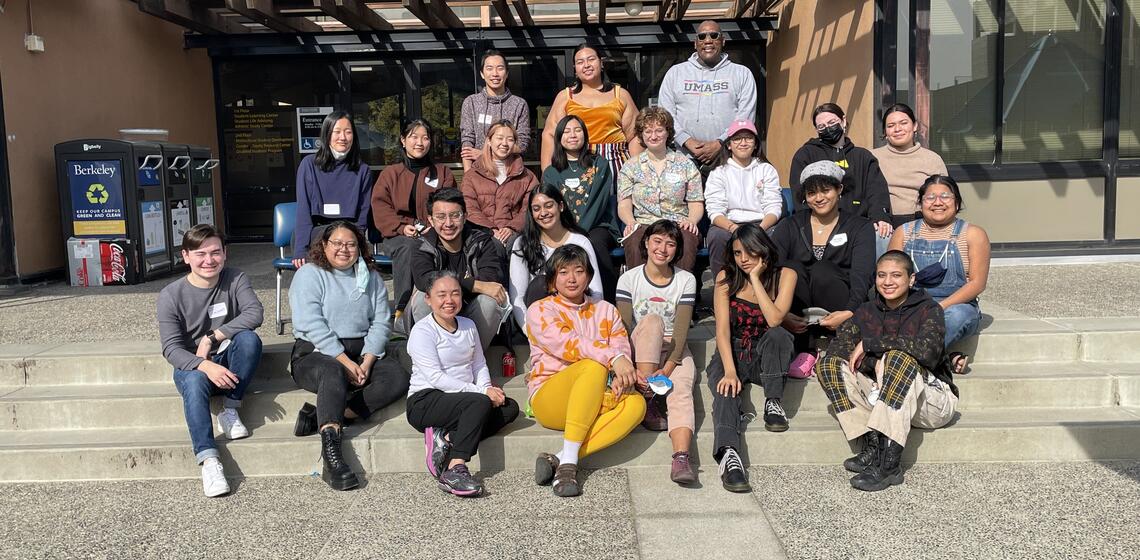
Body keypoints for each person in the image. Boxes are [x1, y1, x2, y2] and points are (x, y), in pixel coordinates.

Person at [814, 250, 959, 492]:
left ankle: (889, 463)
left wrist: (872, 345)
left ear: (911, 279)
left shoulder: (929, 310)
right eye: (882, 275)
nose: (888, 282)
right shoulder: (867, 311)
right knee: (828, 365)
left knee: (897, 358)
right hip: (882, 393)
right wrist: (875, 363)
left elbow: (927, 353)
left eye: (896, 275)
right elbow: (840, 349)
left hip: (931, 402)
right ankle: (872, 445)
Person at [289, 221, 409, 491]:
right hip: (315, 352)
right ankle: (332, 454)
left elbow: (381, 323)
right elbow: (312, 324)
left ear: (360, 247)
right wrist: (345, 362)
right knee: (332, 372)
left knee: (397, 377)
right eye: (337, 243)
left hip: (361, 350)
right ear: (324, 245)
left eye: (351, 244)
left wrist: (366, 360)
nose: (344, 249)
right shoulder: (310, 274)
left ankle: (327, 412)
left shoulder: (371, 277)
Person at [527, 245, 647, 497]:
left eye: (579, 271)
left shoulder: (605, 309)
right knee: (591, 366)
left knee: (637, 405)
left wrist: (619, 376)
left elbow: (620, 346)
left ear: (589, 276)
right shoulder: (540, 310)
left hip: (596, 395)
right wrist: (614, 359)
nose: (572, 279)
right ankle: (569, 467)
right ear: (552, 279)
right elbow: (568, 344)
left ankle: (562, 457)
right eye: (563, 272)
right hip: (551, 397)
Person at [157, 224, 264, 498]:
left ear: (225, 254)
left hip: (226, 356)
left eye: (215, 252)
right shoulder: (170, 295)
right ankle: (209, 460)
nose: (209, 260)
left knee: (250, 339)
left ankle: (230, 409)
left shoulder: (235, 278)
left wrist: (211, 337)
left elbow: (254, 313)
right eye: (200, 254)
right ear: (186, 256)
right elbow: (171, 349)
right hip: (193, 365)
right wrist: (204, 364)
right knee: (193, 380)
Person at [406, 270, 520, 497]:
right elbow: (436, 378)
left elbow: (479, 365)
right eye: (441, 295)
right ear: (428, 299)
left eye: (455, 294)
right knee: (478, 403)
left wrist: (487, 389)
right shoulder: (422, 331)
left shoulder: (468, 325)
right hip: (425, 401)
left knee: (510, 408)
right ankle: (455, 468)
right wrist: (482, 393)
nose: (449, 300)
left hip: (464, 400)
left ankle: (446, 438)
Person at [703, 223, 797, 493]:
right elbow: (721, 330)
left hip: (767, 356)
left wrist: (756, 278)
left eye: (749, 252)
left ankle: (773, 402)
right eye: (736, 253)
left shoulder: (785, 275)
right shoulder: (725, 277)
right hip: (732, 350)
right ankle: (729, 455)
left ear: (763, 249)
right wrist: (730, 371)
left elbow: (775, 318)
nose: (743, 259)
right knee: (725, 386)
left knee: (779, 335)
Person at [615, 220, 699, 485]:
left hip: (674, 348)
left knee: (682, 390)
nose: (663, 249)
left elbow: (682, 328)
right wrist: (633, 366)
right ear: (646, 243)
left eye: (671, 244)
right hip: (640, 343)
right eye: (657, 241)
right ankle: (648, 398)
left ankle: (681, 456)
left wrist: (671, 366)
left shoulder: (686, 280)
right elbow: (623, 326)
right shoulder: (629, 278)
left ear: (677, 250)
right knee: (652, 321)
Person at [889, 174, 990, 373]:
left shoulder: (973, 234)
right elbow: (890, 276)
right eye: (930, 198)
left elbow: (977, 283)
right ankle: (942, 358)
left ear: (957, 202)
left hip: (954, 306)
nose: (938, 203)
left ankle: (902, 360)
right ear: (920, 203)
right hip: (911, 306)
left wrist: (938, 308)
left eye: (945, 196)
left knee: (957, 316)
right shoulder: (903, 232)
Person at [769, 161, 875, 349]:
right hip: (796, 316)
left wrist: (850, 311)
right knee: (792, 269)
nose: (819, 198)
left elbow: (862, 275)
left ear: (839, 189)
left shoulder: (860, 226)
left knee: (822, 270)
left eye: (825, 190)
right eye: (811, 193)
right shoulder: (789, 225)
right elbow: (771, 269)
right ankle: (804, 348)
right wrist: (781, 314)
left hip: (841, 307)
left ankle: (838, 341)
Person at [371, 119, 458, 311]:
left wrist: (435, 226)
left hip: (435, 232)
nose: (420, 142)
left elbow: (450, 204)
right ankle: (403, 308)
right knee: (411, 246)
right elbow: (380, 206)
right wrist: (402, 227)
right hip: (398, 235)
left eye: (425, 138)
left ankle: (442, 305)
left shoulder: (442, 173)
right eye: (414, 137)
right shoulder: (390, 174)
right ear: (403, 140)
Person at [406, 188, 509, 350]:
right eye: (441, 217)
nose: (448, 223)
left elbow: (490, 280)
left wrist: (460, 286)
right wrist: (474, 285)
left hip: (471, 313)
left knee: (489, 302)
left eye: (455, 215)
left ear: (465, 217)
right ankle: (433, 358)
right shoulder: (422, 244)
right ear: (431, 220)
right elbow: (424, 279)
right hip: (439, 312)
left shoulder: (482, 241)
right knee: (421, 298)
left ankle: (470, 360)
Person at [541, 43, 641, 196]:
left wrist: (639, 171)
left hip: (616, 164)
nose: (586, 65)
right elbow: (549, 135)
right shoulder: (565, 97)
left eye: (591, 59)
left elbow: (634, 136)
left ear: (601, 63)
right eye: (580, 62)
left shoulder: (620, 94)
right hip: (576, 163)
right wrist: (548, 175)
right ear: (575, 68)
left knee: (618, 212)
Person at [788, 103, 891, 251]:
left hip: (859, 225)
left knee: (883, 235)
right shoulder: (805, 155)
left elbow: (876, 191)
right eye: (821, 126)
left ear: (843, 121)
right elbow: (800, 196)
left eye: (832, 123)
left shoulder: (862, 157)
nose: (828, 128)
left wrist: (881, 217)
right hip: (821, 223)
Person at [658, 20, 758, 172]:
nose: (708, 40)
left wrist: (720, 143)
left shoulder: (742, 74)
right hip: (683, 158)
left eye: (714, 35)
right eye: (702, 36)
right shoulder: (675, 73)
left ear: (723, 41)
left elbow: (745, 117)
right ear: (695, 43)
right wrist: (687, 141)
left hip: (727, 157)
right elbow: (666, 114)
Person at [542, 114, 619, 302]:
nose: (573, 135)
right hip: (564, 228)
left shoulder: (598, 164)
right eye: (567, 131)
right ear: (559, 137)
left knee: (595, 243)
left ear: (584, 135)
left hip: (598, 226)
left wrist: (576, 234)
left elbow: (597, 202)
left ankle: (606, 303)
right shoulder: (552, 172)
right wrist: (565, 232)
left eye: (577, 130)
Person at [617, 106, 704, 271]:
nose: (653, 136)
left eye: (659, 130)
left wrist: (691, 220)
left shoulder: (685, 164)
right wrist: (630, 222)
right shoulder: (630, 167)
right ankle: (640, 292)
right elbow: (624, 203)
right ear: (641, 134)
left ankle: (681, 292)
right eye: (648, 131)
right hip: (643, 222)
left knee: (687, 238)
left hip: (678, 222)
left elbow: (696, 202)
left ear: (668, 133)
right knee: (634, 240)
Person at [508, 184, 603, 329]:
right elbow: (518, 298)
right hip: (539, 324)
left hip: (577, 321)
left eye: (548, 205)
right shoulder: (522, 244)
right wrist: (531, 332)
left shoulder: (580, 242)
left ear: (561, 206)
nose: (543, 213)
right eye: (536, 209)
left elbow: (596, 292)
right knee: (541, 282)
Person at [704, 119, 783, 277]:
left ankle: (771, 287)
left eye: (748, 138)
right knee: (716, 236)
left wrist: (758, 231)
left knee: (779, 233)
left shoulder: (766, 170)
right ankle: (723, 287)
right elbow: (715, 212)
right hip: (729, 225)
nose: (743, 143)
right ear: (729, 144)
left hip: (761, 224)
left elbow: (773, 206)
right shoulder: (719, 172)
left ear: (755, 143)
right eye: (737, 139)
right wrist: (734, 229)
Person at [292, 111, 372, 267]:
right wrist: (300, 248)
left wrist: (357, 240)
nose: (342, 137)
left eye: (348, 132)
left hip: (349, 233)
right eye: (337, 132)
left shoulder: (363, 170)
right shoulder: (309, 165)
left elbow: (363, 215)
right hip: (316, 232)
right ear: (327, 134)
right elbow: (303, 209)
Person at [461, 120, 539, 250]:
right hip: (481, 235)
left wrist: (511, 228)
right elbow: (469, 207)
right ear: (489, 141)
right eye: (499, 138)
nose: (504, 143)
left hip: (515, 237)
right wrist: (491, 230)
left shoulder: (527, 176)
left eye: (510, 139)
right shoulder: (472, 175)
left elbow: (530, 208)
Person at [871, 103, 949, 227]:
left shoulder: (932, 159)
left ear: (915, 126)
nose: (897, 129)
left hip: (923, 221)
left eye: (903, 123)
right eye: (891, 125)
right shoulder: (872, 158)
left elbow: (946, 196)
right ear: (885, 131)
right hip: (883, 224)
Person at [460, 50, 531, 171]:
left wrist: (485, 154)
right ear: (482, 73)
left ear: (507, 73)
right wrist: (468, 177)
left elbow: (522, 144)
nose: (495, 73)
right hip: (479, 173)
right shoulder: (471, 102)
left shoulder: (519, 104)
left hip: (510, 172)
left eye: (500, 68)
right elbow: (467, 143)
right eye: (489, 68)